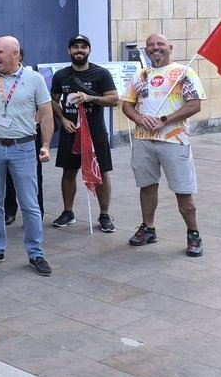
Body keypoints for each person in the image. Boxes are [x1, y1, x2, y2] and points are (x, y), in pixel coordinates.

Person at [0, 35, 55, 276]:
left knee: (29, 203)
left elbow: (46, 114)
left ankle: (35, 253)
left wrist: (45, 145)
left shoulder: (35, 79)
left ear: (15, 54)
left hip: (24, 148)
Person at [121, 33, 205, 256]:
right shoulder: (140, 75)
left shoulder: (184, 72)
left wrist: (164, 120)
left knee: (183, 190)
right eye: (150, 45)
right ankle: (148, 229)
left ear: (170, 47)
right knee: (147, 186)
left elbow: (194, 105)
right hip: (143, 140)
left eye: (160, 44)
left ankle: (193, 234)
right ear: (146, 50)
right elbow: (127, 106)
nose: (155, 48)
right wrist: (139, 119)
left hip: (174, 140)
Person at [50, 34, 118, 232]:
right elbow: (53, 100)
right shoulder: (61, 75)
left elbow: (114, 99)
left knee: (101, 172)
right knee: (69, 171)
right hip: (70, 132)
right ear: (69, 51)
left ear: (89, 51)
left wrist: (90, 97)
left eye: (83, 47)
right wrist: (62, 120)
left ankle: (104, 215)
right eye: (75, 47)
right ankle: (68, 212)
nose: (79, 50)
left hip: (95, 132)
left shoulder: (101, 74)